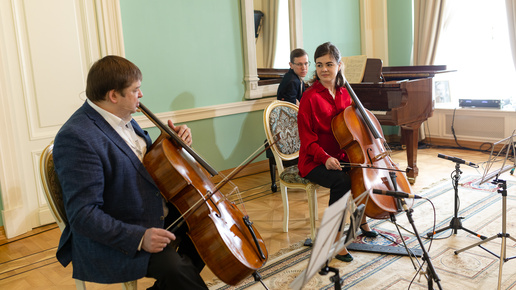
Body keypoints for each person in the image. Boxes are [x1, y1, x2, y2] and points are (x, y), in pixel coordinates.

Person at [53, 55, 208, 289]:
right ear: (113, 95)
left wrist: (170, 143)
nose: (141, 95)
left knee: (206, 230)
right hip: (117, 235)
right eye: (136, 90)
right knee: (176, 269)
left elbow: (136, 164)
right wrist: (140, 238)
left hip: (147, 210)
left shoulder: (121, 116)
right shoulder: (77, 138)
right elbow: (84, 215)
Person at [297, 42, 377, 263]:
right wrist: (326, 158)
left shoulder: (345, 93)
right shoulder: (309, 97)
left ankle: (361, 220)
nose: (324, 69)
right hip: (314, 160)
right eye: (320, 65)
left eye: (329, 64)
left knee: (361, 171)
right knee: (341, 181)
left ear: (339, 65)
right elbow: (307, 141)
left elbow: (354, 127)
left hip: (340, 156)